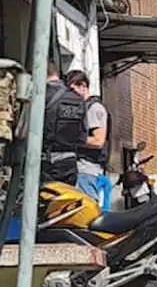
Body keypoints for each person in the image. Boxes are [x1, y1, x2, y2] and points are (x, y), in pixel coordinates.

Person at [40, 61, 86, 186]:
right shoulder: (78, 99)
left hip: (46, 162)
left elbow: (23, 132)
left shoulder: (40, 96)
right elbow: (83, 138)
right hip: (69, 163)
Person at [67, 71, 108, 204]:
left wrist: (70, 140)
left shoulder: (94, 109)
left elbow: (98, 141)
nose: (70, 95)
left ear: (83, 86)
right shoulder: (84, 108)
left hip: (87, 168)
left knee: (85, 210)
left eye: (73, 90)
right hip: (82, 167)